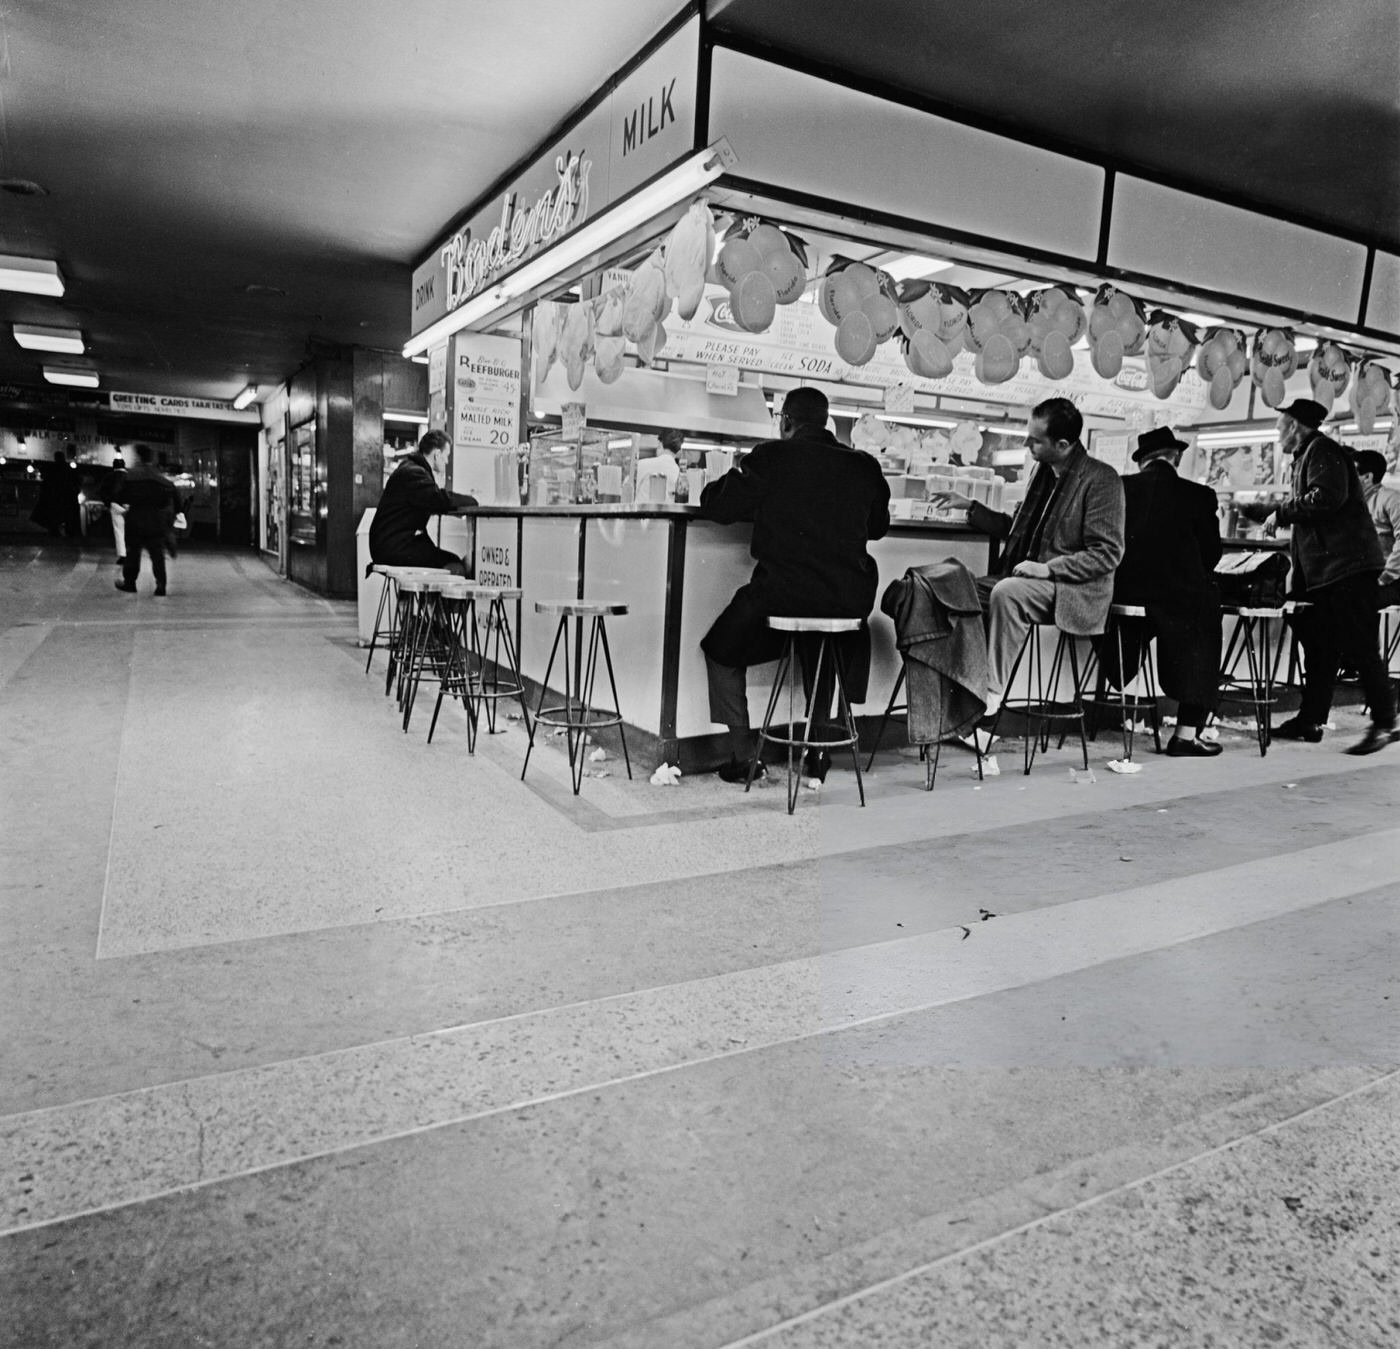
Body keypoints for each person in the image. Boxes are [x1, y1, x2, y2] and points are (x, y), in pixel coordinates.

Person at [699, 386, 891, 784]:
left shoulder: (771, 457)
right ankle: (817, 749)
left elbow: (718, 506)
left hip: (781, 597)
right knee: (821, 649)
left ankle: (742, 753)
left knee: (719, 648)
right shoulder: (865, 465)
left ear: (785, 421)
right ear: (827, 423)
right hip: (847, 604)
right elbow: (878, 527)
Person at [934, 397, 1125, 741]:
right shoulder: (1043, 475)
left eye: (1036, 440)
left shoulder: (1101, 480)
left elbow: (1108, 553)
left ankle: (986, 708)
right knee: (951, 588)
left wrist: (1049, 569)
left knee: (1008, 592)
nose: (1026, 444)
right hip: (1026, 580)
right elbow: (1017, 528)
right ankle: (956, 691)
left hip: (1071, 589)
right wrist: (971, 507)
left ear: (1063, 445)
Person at [1241, 399, 1396, 754]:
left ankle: (1385, 723)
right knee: (1319, 645)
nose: (1278, 434)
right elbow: (1310, 506)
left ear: (1295, 425)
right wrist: (1264, 511)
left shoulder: (1323, 449)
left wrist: (1279, 513)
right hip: (1326, 574)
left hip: (1347, 570)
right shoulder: (1308, 456)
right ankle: (1311, 719)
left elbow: (1326, 498)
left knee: (1359, 647)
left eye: (1280, 426)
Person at [1103, 426, 1224, 756]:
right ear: (1177, 457)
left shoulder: (1120, 488)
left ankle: (1110, 692)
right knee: (1206, 616)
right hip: (1179, 601)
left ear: (1143, 461)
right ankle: (1185, 734)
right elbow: (1211, 555)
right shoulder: (1200, 495)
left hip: (1121, 600)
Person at [368, 429, 477, 576]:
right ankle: (432, 599)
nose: (447, 461)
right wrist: (473, 501)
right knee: (453, 563)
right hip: (394, 547)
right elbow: (438, 499)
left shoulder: (410, 468)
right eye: (446, 455)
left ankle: (413, 598)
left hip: (390, 544)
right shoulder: (414, 473)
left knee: (442, 557)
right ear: (437, 454)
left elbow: (431, 499)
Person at [114, 444, 178, 595]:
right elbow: (169, 494)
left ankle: (130, 583)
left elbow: (120, 496)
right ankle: (161, 585)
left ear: (137, 457)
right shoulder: (159, 479)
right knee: (157, 555)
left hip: (135, 519)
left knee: (133, 554)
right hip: (155, 521)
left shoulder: (130, 476)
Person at [1355, 449, 1400, 608]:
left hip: (1392, 580)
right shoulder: (1354, 505)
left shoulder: (1391, 499)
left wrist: (1387, 575)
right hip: (1367, 578)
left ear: (1368, 477)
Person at [101, 456, 129, 568]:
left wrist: (108, 503)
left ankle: (123, 555)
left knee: (119, 531)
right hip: (129, 506)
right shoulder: (130, 476)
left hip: (115, 505)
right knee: (131, 531)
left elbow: (102, 491)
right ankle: (133, 553)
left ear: (113, 466)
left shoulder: (109, 476)